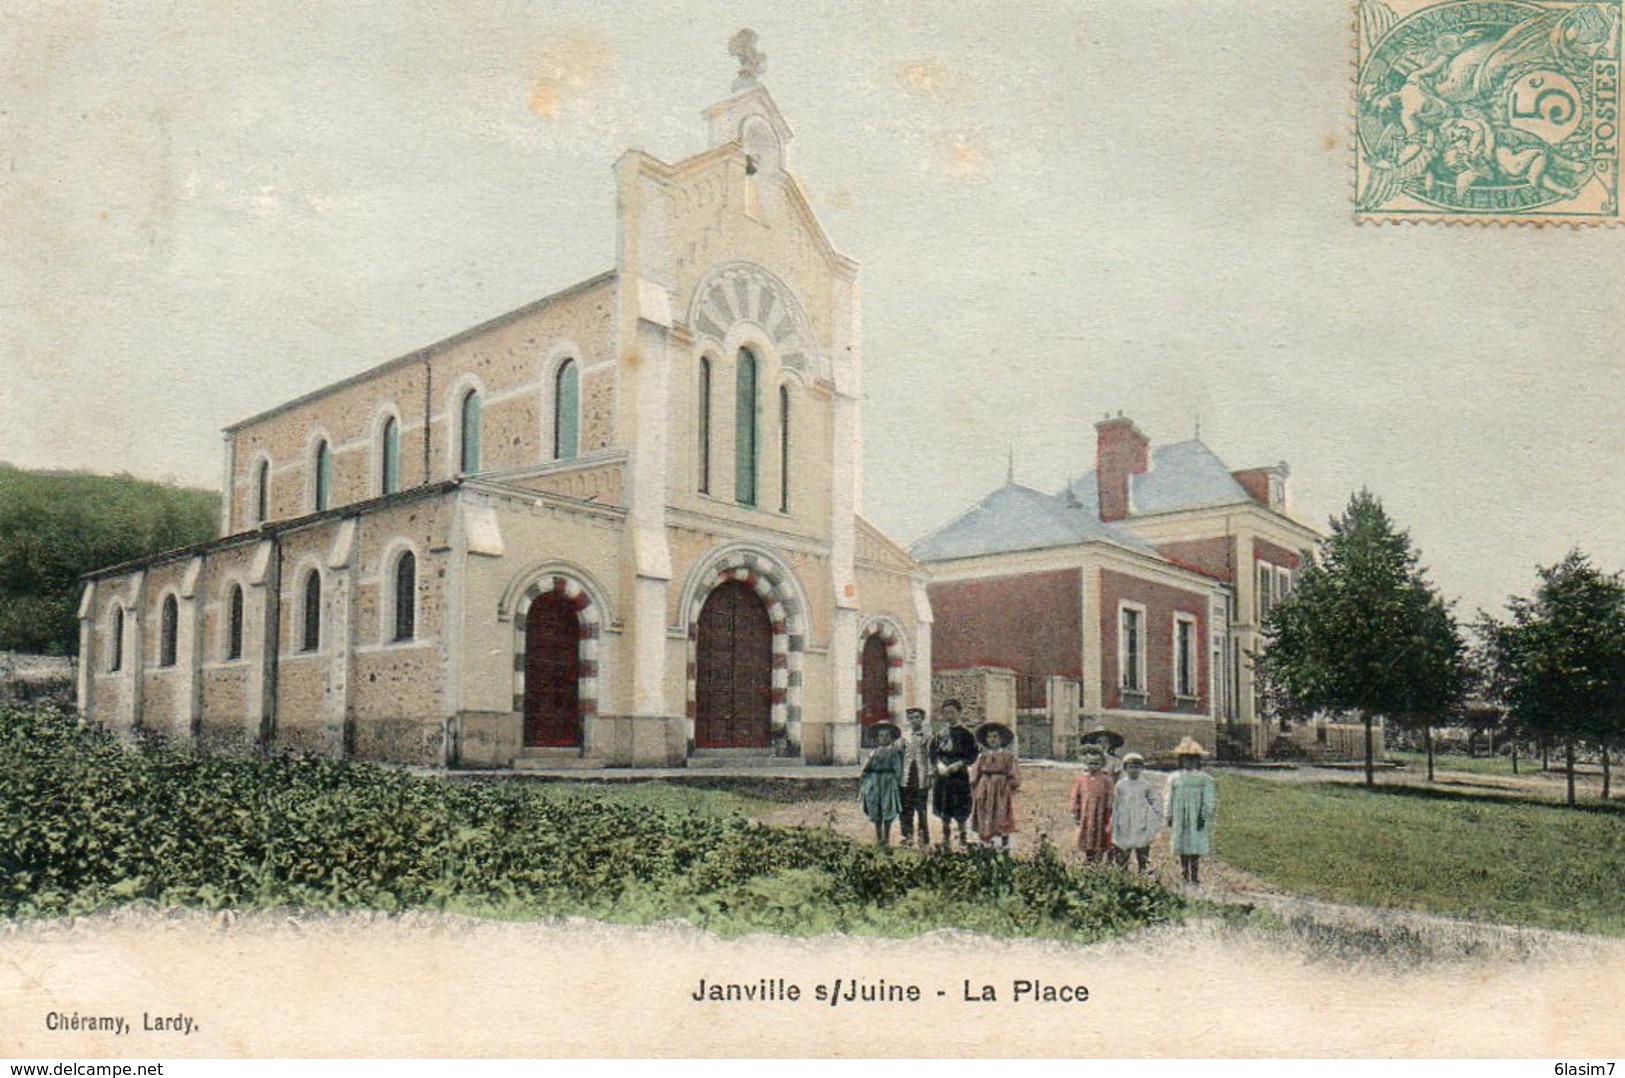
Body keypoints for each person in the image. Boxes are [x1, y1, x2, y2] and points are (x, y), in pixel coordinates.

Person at [1165, 736, 1217, 885]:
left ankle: (1194, 874)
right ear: (1181, 760)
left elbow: (1209, 798)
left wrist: (1204, 814)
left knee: (1194, 843)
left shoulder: (1204, 779)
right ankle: (1184, 873)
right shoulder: (1174, 777)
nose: (1189, 762)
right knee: (1181, 842)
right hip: (1180, 814)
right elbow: (1169, 796)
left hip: (1196, 815)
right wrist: (1168, 814)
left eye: (1192, 759)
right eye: (1186, 759)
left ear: (1198, 760)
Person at [928, 699, 978, 849]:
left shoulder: (967, 734)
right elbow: (932, 753)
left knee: (960, 807)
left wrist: (959, 764)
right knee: (944, 806)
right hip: (943, 777)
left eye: (952, 712)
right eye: (946, 713)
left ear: (959, 713)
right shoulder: (940, 734)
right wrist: (939, 765)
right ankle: (946, 839)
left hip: (959, 776)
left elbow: (972, 754)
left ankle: (962, 838)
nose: (949, 716)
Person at [969, 722, 1021, 853]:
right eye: (990, 737)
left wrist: (1009, 786)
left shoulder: (1007, 756)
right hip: (984, 787)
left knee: (1002, 814)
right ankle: (985, 843)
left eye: (995, 737)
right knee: (983, 813)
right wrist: (975, 788)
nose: (992, 740)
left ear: (1001, 739)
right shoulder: (982, 757)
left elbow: (1014, 775)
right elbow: (975, 773)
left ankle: (1004, 844)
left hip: (1001, 789)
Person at [1110, 752, 1161, 874]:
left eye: (1137, 767)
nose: (1134, 770)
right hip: (1124, 820)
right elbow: (1115, 802)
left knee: (1142, 845)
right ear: (1125, 768)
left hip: (1140, 819)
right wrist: (1114, 819)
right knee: (1123, 846)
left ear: (1142, 768)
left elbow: (1155, 800)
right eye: (1131, 767)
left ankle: (1142, 870)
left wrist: (1156, 816)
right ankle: (1123, 871)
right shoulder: (1121, 785)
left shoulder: (1146, 785)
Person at [1067, 745, 1114, 864]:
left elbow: (1110, 795)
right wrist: (1075, 810)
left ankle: (1099, 858)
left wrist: (1109, 810)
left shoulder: (1105, 779)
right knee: (1088, 835)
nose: (1094, 766)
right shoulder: (1081, 779)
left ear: (1102, 763)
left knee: (1101, 835)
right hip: (1087, 814)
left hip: (1101, 814)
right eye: (1091, 763)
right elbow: (1075, 795)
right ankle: (1089, 857)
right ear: (1086, 763)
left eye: (1097, 763)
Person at [859, 722, 903, 845]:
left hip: (888, 782)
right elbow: (865, 768)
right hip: (875, 782)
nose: (884, 738)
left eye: (887, 735)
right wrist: (865, 781)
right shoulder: (873, 752)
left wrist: (896, 782)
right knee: (875, 808)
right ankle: (879, 838)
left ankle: (887, 838)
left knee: (887, 808)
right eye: (881, 736)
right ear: (877, 738)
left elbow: (898, 770)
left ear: (891, 737)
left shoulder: (894, 752)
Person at [897, 707, 934, 848]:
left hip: (921, 775)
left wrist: (930, 774)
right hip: (906, 776)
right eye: (911, 718)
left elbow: (931, 756)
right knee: (906, 807)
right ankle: (907, 835)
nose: (914, 720)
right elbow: (899, 753)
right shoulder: (904, 736)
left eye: (917, 717)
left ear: (922, 719)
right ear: (908, 720)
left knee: (921, 808)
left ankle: (923, 837)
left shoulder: (928, 736)